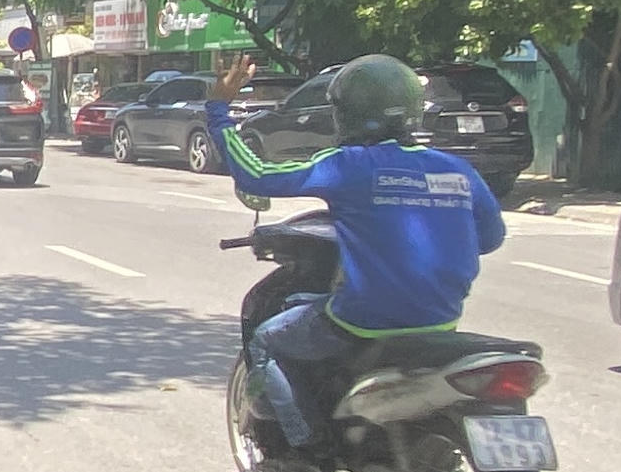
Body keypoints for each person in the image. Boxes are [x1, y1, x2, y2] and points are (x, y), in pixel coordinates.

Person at [211, 57, 506, 451]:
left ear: (346, 114)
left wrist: (218, 111)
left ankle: (306, 444)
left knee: (266, 338)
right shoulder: (457, 169)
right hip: (440, 322)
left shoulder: (348, 165)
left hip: (363, 322)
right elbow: (490, 238)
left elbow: (258, 176)